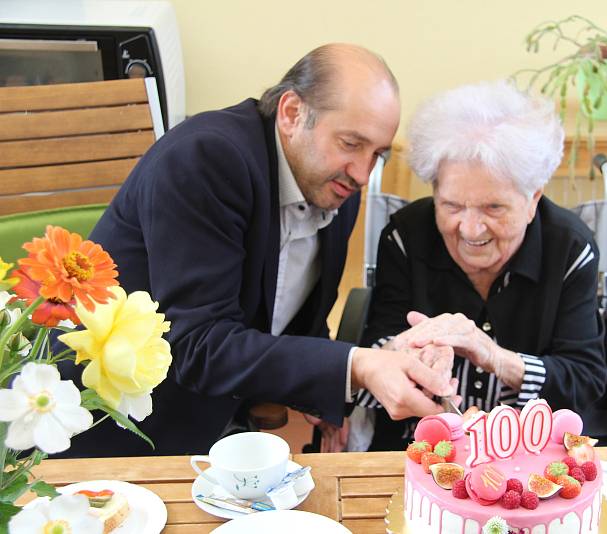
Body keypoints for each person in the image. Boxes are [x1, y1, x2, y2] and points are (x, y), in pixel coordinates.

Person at [60, 43, 455, 457]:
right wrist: (353, 367)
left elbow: (304, 322)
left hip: (227, 427)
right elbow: (198, 346)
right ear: (291, 113)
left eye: (377, 154)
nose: (362, 173)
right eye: (350, 143)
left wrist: (349, 382)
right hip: (125, 431)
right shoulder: (207, 159)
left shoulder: (335, 185)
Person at [354, 80, 607, 451]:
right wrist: (406, 351)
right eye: (452, 206)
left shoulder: (570, 249)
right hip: (423, 446)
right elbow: (375, 348)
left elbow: (584, 378)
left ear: (532, 198)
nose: (470, 229)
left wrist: (494, 357)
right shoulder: (405, 238)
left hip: (532, 449)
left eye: (493, 208)